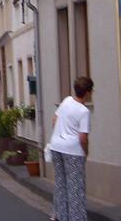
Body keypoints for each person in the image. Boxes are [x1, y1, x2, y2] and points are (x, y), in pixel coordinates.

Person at [50, 76, 94, 221]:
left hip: (56, 146)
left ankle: (60, 216)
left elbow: (54, 120)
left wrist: (60, 134)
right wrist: (86, 152)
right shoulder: (84, 111)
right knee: (75, 188)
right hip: (73, 151)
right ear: (87, 92)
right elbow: (83, 138)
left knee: (61, 183)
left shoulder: (66, 101)